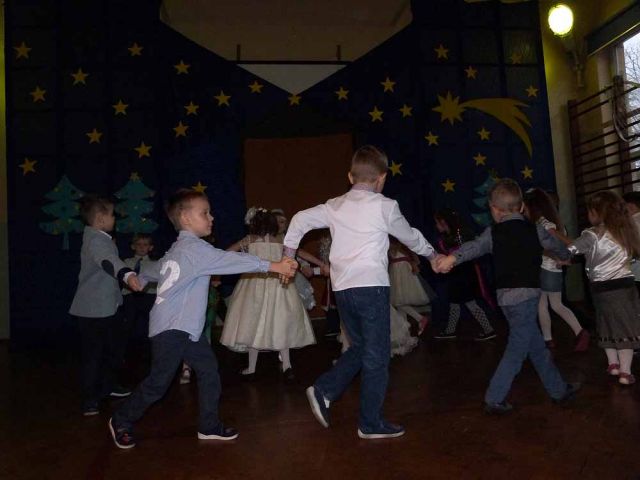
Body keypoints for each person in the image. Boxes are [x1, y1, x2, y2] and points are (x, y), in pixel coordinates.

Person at [108, 189, 297, 449]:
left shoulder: (178, 248)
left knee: (208, 371)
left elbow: (156, 268)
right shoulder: (195, 249)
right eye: (205, 213)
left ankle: (208, 425)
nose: (212, 217)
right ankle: (121, 419)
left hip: (186, 330)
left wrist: (139, 278)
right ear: (185, 218)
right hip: (173, 329)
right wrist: (274, 266)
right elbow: (231, 260)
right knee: (158, 384)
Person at [283, 145, 441, 439]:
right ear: (382, 178)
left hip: (343, 290)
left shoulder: (334, 205)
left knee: (360, 347)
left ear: (349, 176)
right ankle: (370, 423)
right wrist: (432, 256)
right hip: (371, 287)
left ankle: (324, 390)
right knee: (377, 355)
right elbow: (410, 237)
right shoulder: (385, 206)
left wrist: (288, 256)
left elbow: (299, 220)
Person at [438, 179, 580, 414]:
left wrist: (452, 258)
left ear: (494, 209)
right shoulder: (535, 229)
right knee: (517, 349)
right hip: (527, 297)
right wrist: (565, 257)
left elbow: (474, 247)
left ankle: (559, 390)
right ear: (522, 206)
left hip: (506, 299)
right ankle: (494, 398)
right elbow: (556, 246)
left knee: (536, 347)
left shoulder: (492, 233)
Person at [221, 208, 316, 381]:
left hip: (253, 286)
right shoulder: (280, 240)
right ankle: (287, 366)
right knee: (280, 324)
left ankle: (251, 368)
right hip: (278, 286)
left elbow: (227, 253)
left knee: (252, 324)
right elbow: (300, 253)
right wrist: (319, 263)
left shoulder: (249, 240)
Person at [69, 194, 141, 416]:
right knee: (94, 355)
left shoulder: (100, 237)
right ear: (100, 218)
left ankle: (109, 386)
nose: (114, 218)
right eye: (112, 215)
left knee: (112, 351)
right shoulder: (96, 240)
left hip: (108, 307)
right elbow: (108, 261)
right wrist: (127, 275)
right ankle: (90, 399)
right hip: (93, 311)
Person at [567, 190, 640, 385]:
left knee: (605, 323)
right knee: (625, 326)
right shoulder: (626, 231)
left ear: (598, 212)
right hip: (625, 288)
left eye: (590, 211)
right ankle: (625, 371)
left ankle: (613, 365)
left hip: (600, 289)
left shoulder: (593, 234)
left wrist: (562, 256)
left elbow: (572, 248)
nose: (588, 215)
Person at [523, 188, 589, 351]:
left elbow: (550, 247)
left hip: (546, 269)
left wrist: (561, 257)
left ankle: (577, 332)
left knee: (552, 305)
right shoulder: (552, 222)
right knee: (548, 304)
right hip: (552, 269)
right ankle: (550, 339)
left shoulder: (543, 224)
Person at [432, 208, 496, 341]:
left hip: (464, 276)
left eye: (437, 222)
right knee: (455, 304)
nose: (436, 226)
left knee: (469, 303)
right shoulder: (447, 238)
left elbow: (468, 254)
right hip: (456, 277)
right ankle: (451, 330)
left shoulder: (460, 235)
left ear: (444, 222)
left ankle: (489, 329)